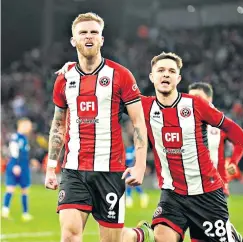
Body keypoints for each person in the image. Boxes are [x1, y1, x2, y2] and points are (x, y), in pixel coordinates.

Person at [56, 53, 243, 242]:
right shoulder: (143, 106)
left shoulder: (195, 105)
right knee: (162, 235)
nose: (166, 75)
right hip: (172, 194)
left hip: (206, 194)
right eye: (161, 71)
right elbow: (103, 90)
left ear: (178, 79)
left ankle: (230, 235)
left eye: (172, 71)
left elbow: (229, 126)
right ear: (152, 77)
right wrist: (78, 66)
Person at [44, 12, 147, 242]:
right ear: (73, 40)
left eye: (94, 32)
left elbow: (138, 122)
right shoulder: (64, 79)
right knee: (69, 236)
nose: (88, 36)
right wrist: (52, 166)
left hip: (110, 171)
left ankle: (138, 236)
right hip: (74, 170)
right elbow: (58, 124)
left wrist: (140, 165)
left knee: (112, 239)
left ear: (102, 39)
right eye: (83, 32)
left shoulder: (120, 75)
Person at [188, 82, 243, 241]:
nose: (193, 100)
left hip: (217, 185)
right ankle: (232, 235)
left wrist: (233, 162)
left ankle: (231, 235)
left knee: (214, 233)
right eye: (191, 96)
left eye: (198, 97)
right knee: (198, 232)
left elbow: (239, 142)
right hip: (192, 185)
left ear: (209, 98)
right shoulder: (183, 121)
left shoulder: (219, 121)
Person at [1, 118, 36, 221]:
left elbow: (24, 154)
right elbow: (13, 151)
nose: (30, 128)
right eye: (28, 126)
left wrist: (31, 161)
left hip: (24, 166)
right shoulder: (16, 137)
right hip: (15, 165)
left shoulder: (24, 138)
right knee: (10, 188)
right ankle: (5, 211)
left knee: (25, 190)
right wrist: (16, 165)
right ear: (22, 125)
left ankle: (25, 214)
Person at [124, 120, 149, 209]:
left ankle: (137, 196)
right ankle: (135, 197)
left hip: (133, 168)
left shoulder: (134, 149)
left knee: (131, 183)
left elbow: (136, 159)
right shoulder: (128, 150)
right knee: (130, 184)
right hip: (128, 168)